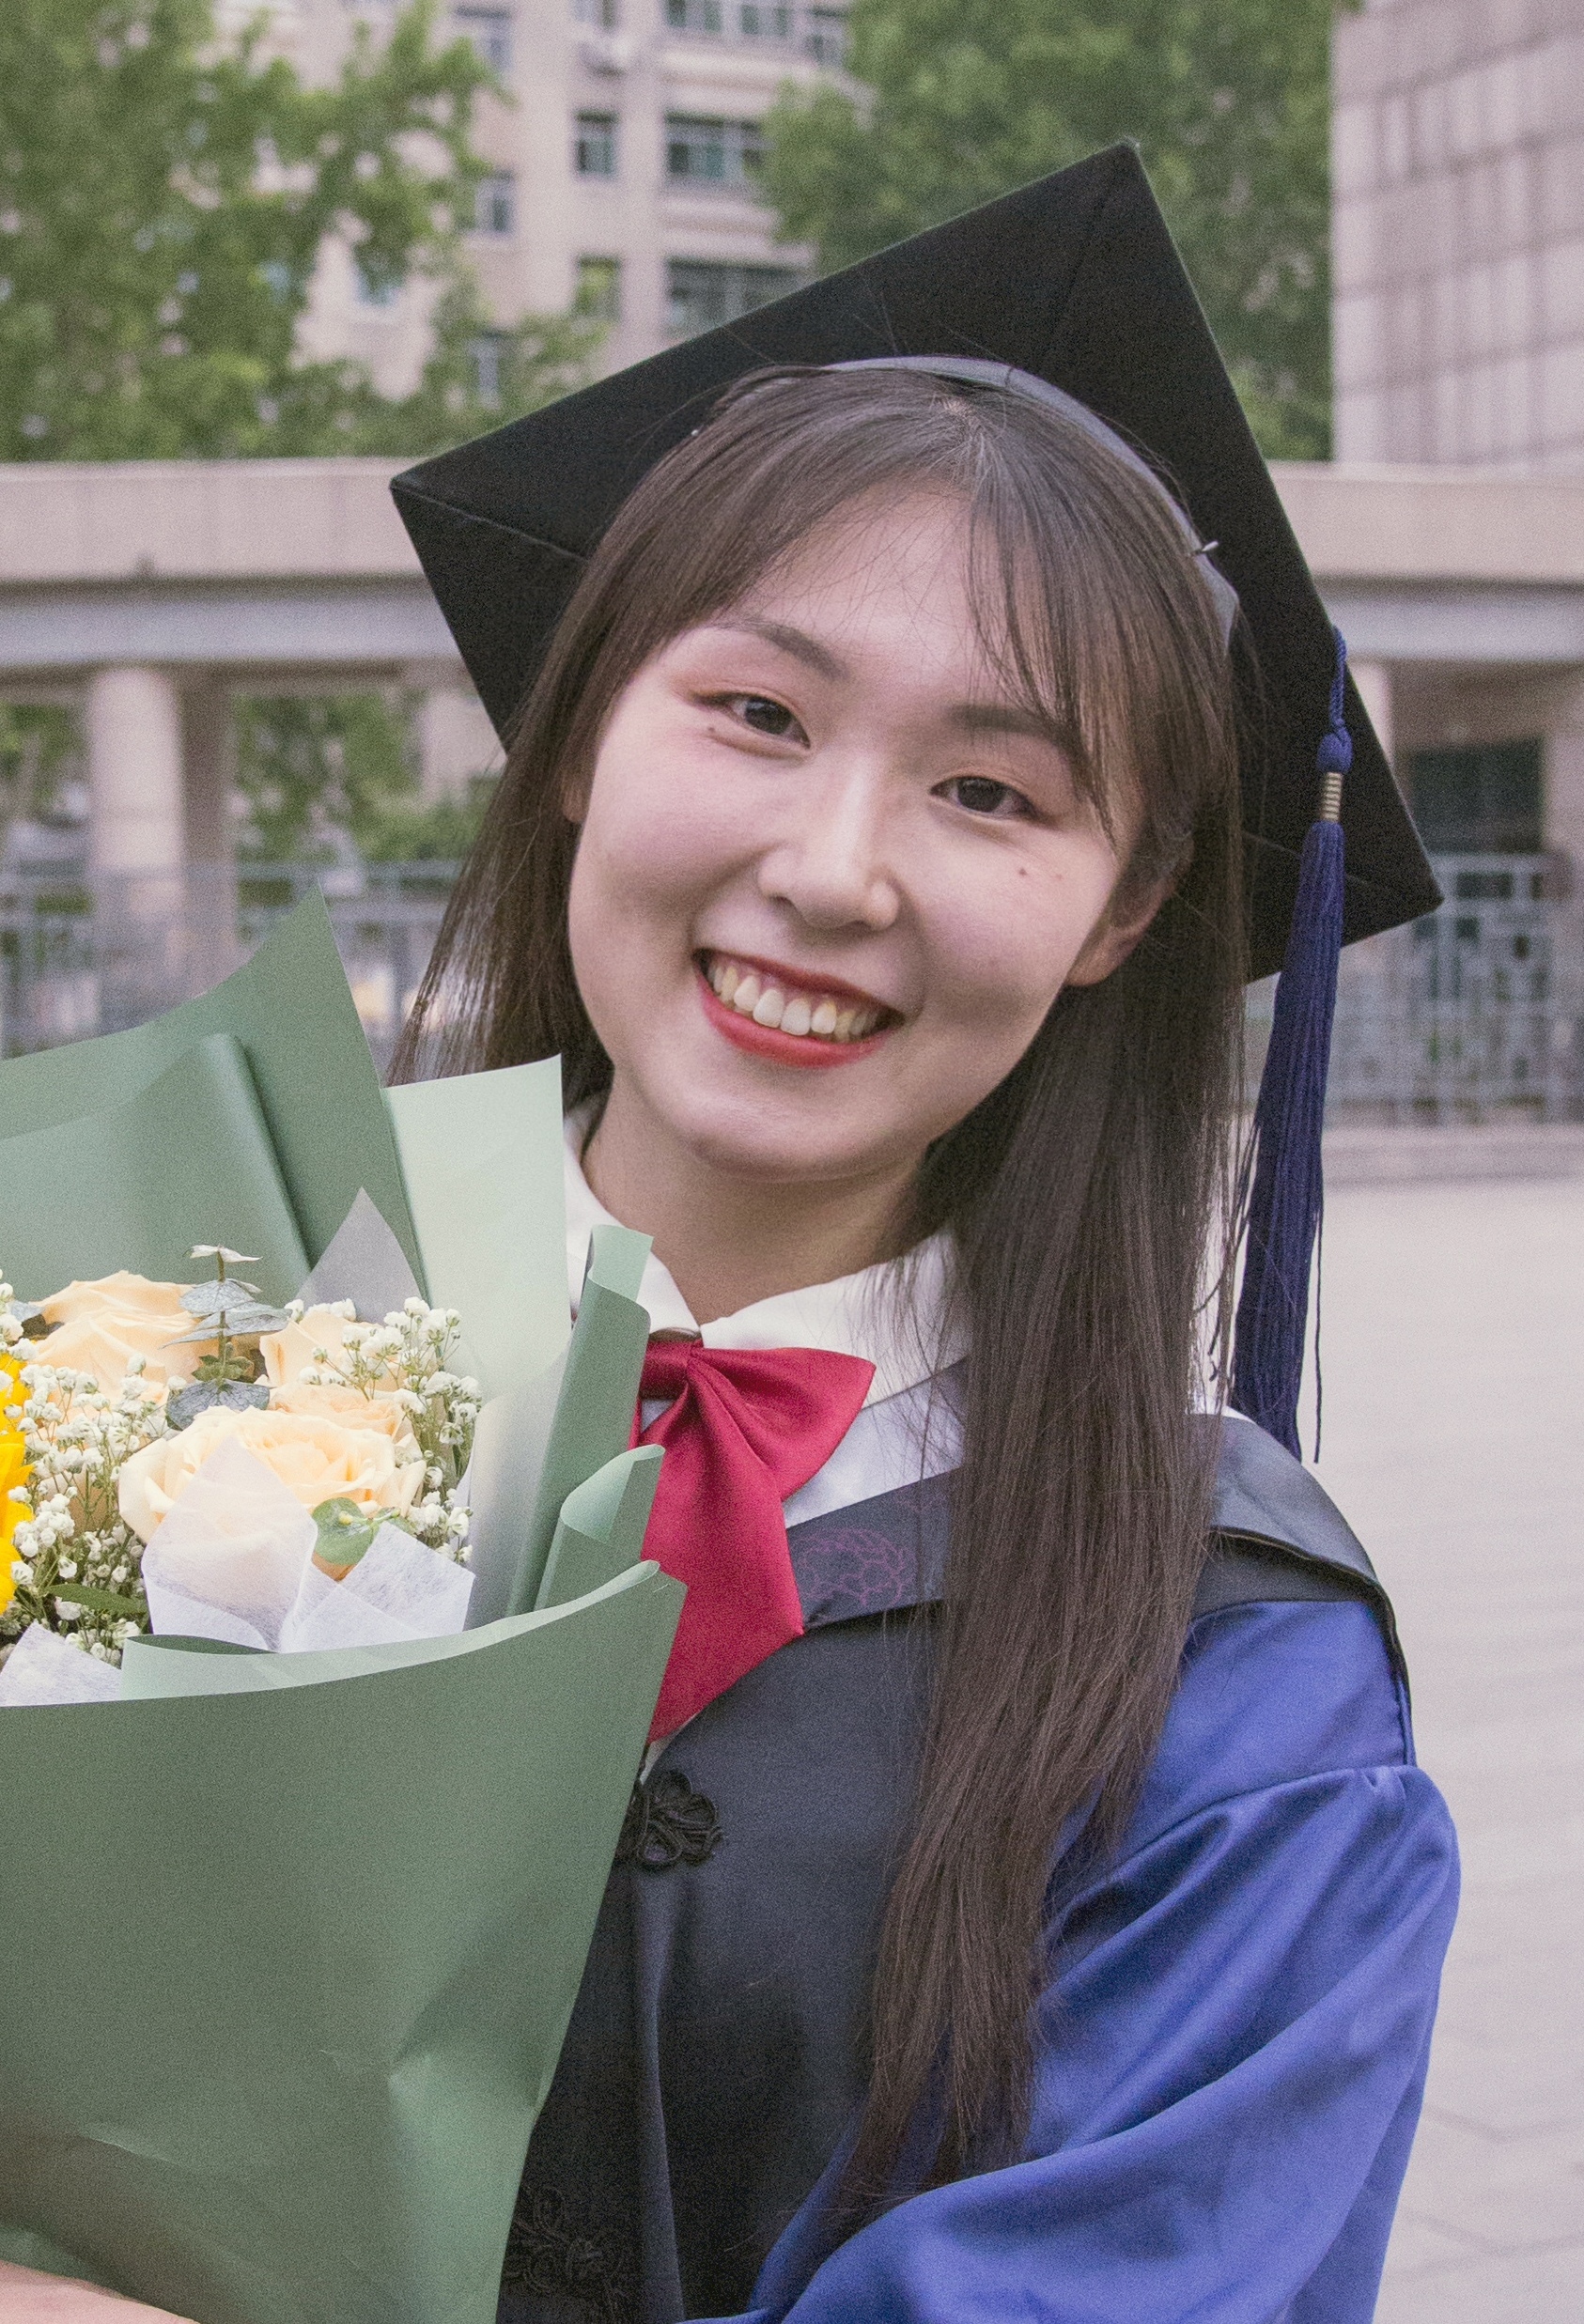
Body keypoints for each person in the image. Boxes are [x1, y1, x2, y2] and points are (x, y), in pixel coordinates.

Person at [16, 147, 1455, 2324]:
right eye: (759, 714)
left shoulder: (1230, 1671)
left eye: (992, 790)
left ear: (1126, 909)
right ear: (579, 734)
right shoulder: (145, 1363)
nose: (834, 867)